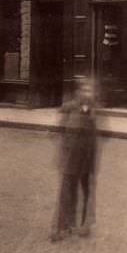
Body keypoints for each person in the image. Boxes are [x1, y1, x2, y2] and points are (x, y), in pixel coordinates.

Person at [51, 77, 98, 242]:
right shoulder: (69, 108)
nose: (87, 94)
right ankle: (60, 227)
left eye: (90, 90)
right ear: (78, 92)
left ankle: (84, 225)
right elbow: (59, 131)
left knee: (87, 192)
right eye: (84, 90)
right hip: (71, 157)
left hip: (87, 158)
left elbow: (96, 136)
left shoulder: (94, 111)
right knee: (67, 192)